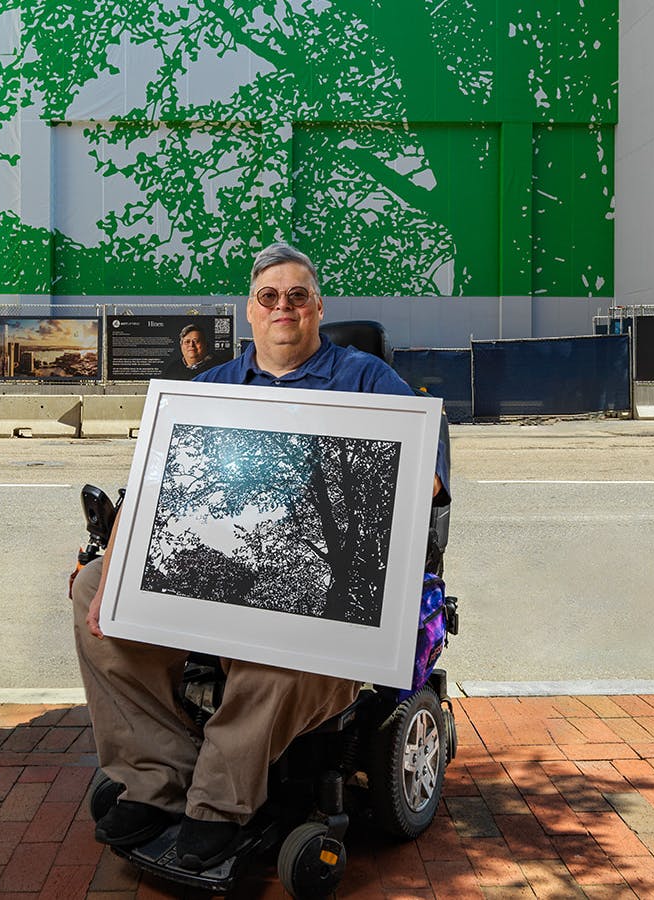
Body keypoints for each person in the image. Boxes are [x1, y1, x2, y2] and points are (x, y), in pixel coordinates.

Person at [70, 242, 449, 871]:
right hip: (226, 561)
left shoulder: (368, 380)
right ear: (249, 311)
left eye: (297, 296)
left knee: (290, 633)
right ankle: (156, 779)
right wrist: (114, 560)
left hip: (316, 573)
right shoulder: (211, 387)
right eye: (268, 296)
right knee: (92, 589)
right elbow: (155, 490)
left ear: (317, 308)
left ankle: (217, 804)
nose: (283, 307)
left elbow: (426, 481)